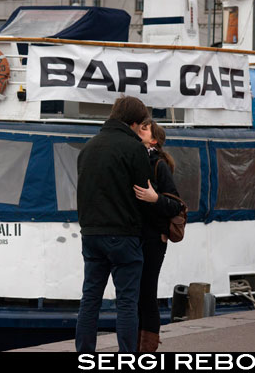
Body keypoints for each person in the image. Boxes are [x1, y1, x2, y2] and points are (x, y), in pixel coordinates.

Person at [75, 96, 153, 353]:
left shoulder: (88, 148)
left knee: (90, 301)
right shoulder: (134, 149)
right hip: (124, 235)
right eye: (140, 124)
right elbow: (142, 194)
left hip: (92, 235)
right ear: (133, 123)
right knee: (127, 303)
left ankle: (85, 354)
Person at [133, 119, 182, 352]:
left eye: (144, 128)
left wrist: (156, 199)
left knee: (147, 292)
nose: (139, 130)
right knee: (135, 294)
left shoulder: (158, 164)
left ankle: (147, 349)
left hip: (153, 239)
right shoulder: (133, 159)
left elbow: (175, 205)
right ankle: (136, 347)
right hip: (135, 236)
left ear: (153, 140)